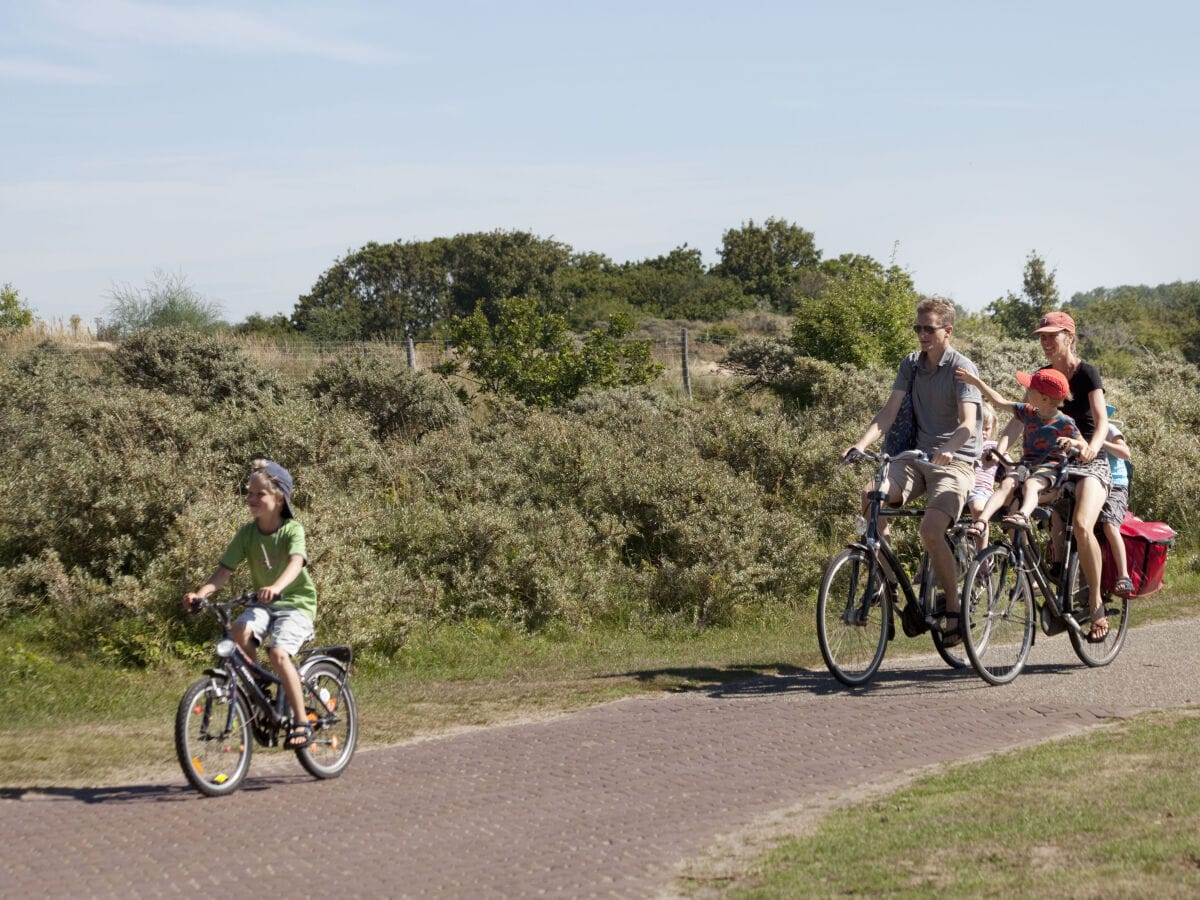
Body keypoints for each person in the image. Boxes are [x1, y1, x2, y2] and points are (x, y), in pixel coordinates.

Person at [843, 296, 983, 645]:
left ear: (947, 331)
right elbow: (888, 412)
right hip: (915, 456)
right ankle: (887, 580)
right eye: (918, 328)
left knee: (931, 529)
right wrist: (861, 444)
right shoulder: (910, 364)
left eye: (929, 328)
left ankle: (953, 610)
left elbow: (968, 423)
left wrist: (949, 451)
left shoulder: (962, 368)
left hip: (957, 460)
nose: (922, 335)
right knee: (871, 496)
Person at [182, 460, 318, 749]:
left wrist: (276, 587)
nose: (251, 499)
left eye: (260, 494)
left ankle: (302, 723)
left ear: (279, 498)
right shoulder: (247, 533)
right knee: (239, 630)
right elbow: (223, 572)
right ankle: (260, 690)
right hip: (264, 603)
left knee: (279, 653)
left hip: (296, 604)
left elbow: (296, 562)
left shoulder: (292, 530)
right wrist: (202, 593)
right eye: (249, 493)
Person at [1029, 311, 1113, 642]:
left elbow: (1102, 419)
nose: (1046, 342)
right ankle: (1049, 576)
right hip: (1056, 461)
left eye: (1053, 335)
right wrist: (999, 450)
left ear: (1070, 338)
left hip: (1091, 463)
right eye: (1043, 336)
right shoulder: (1043, 376)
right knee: (1014, 504)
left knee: (1081, 525)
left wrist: (1092, 447)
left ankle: (1095, 606)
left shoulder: (1087, 373)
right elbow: (1022, 417)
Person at [954, 367, 1085, 535]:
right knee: (1007, 484)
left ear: (1045, 399)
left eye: (1031, 389)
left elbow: (1084, 445)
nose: (1027, 391)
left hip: (1049, 469)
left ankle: (1022, 515)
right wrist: (976, 382)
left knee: (1031, 485)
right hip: (1027, 466)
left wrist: (1072, 441)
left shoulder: (1065, 422)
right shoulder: (1028, 411)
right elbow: (999, 402)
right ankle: (981, 521)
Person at [1101, 406, 1135, 597]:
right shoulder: (1080, 432)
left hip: (1116, 485)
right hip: (1095, 484)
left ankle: (1124, 576)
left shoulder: (1110, 430)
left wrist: (1102, 442)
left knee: (1109, 525)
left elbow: (1125, 453)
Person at [966, 404, 999, 552]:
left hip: (981, 489)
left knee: (979, 510)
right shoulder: (964, 444)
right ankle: (927, 571)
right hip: (962, 486)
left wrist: (1000, 459)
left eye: (987, 429)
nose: (983, 433)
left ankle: (981, 559)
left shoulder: (993, 446)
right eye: (978, 428)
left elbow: (1011, 465)